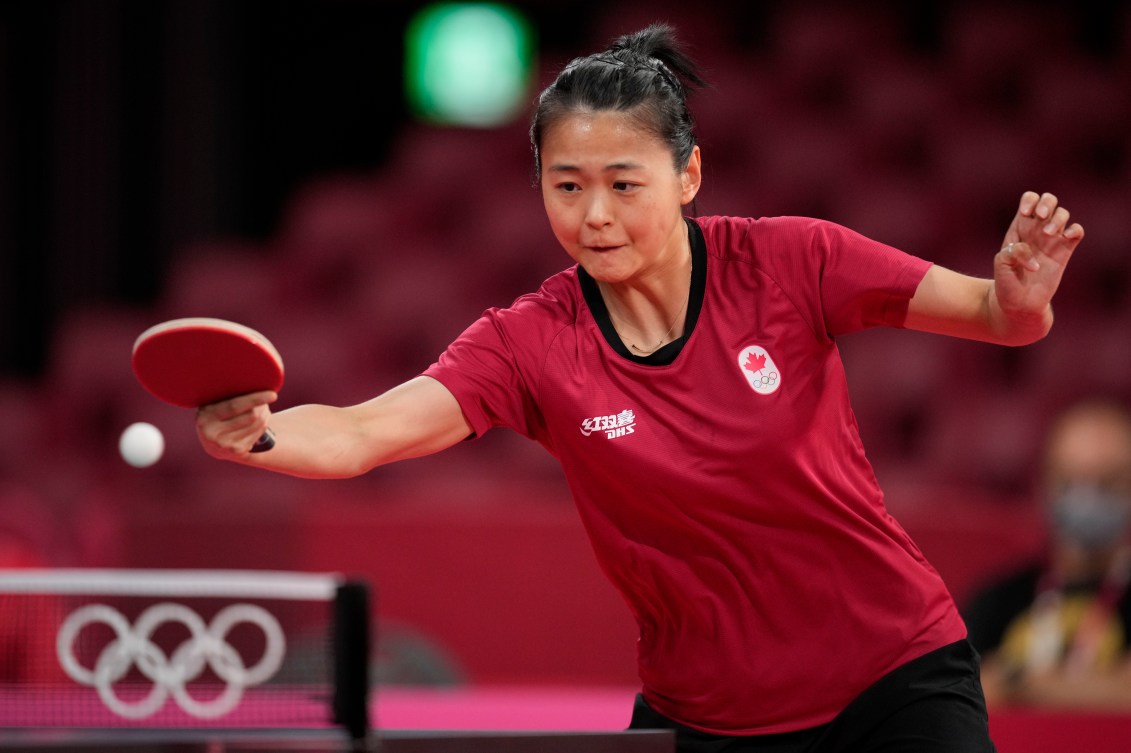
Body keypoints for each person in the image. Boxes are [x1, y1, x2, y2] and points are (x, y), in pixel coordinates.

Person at [196, 24, 1084, 753]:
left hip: (892, 681)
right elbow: (363, 432)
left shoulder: (792, 261)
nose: (593, 216)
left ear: (688, 176)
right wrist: (259, 434)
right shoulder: (531, 341)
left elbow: (994, 316)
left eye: (624, 184)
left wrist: (1019, 296)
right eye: (566, 185)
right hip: (707, 717)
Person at [964, 399, 1131, 711]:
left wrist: (1022, 681)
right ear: (1045, 483)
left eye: (1108, 482)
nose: (1087, 498)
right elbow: (958, 695)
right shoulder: (998, 597)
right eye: (1069, 481)